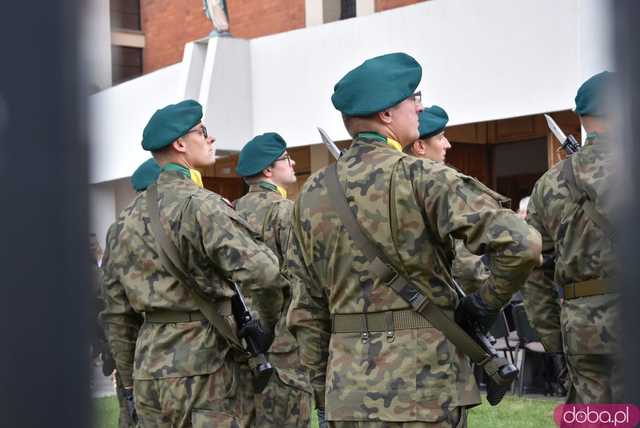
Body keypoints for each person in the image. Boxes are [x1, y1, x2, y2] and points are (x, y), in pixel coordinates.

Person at [286, 52, 542, 427]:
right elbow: (524, 244)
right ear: (387, 115)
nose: (419, 109)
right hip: (425, 388)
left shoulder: (310, 195)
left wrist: (323, 395)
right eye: (412, 100)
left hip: (348, 391)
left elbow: (307, 309)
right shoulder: (423, 177)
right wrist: (483, 306)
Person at [100, 99, 280, 427]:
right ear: (180, 144)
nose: (210, 140)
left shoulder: (123, 222)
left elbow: (117, 316)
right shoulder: (202, 207)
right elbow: (265, 273)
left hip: (150, 372)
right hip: (207, 369)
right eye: (203, 132)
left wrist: (128, 384)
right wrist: (263, 328)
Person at [522, 71, 620, 403]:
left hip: (582, 332)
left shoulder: (549, 184)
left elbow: (533, 270)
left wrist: (554, 341)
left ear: (581, 118)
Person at [234, 132, 313, 427]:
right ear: (268, 170)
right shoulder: (285, 211)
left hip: (243, 337)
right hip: (284, 342)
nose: (293, 162)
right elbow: (302, 278)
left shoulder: (231, 211)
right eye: (286, 158)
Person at [404, 105, 496, 294]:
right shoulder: (442, 184)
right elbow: (466, 268)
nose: (448, 144)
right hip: (441, 304)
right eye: (440, 138)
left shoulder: (390, 183)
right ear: (420, 146)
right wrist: (486, 301)